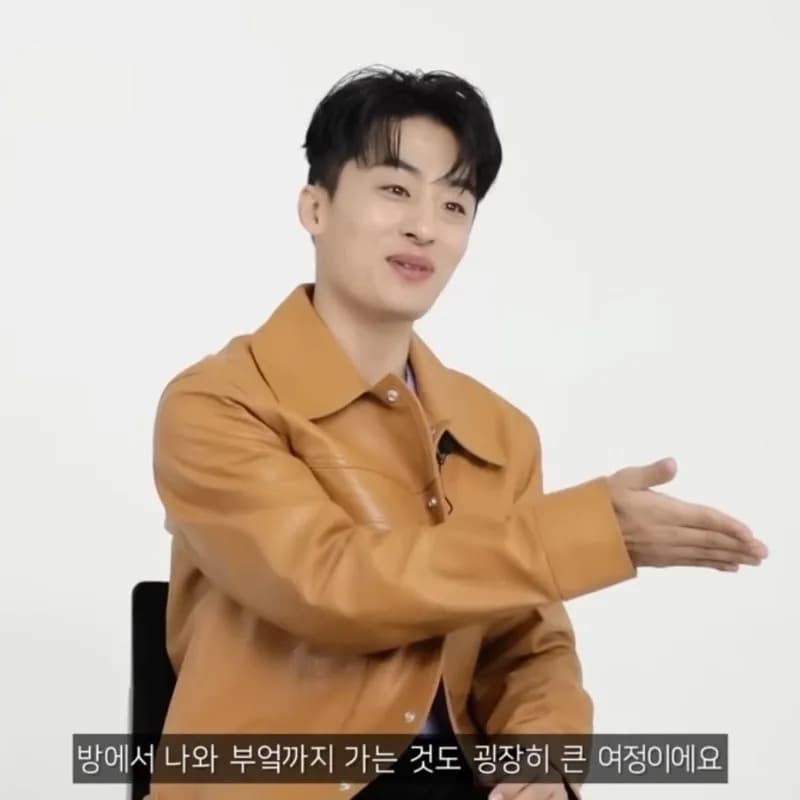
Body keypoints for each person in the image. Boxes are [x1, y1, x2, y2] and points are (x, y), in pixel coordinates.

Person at [148, 65, 768, 800]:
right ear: (315, 207)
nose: (425, 225)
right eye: (395, 190)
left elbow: (525, 646)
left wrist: (544, 754)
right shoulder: (217, 403)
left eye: (454, 203)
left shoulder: (498, 432)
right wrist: (590, 534)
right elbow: (331, 585)